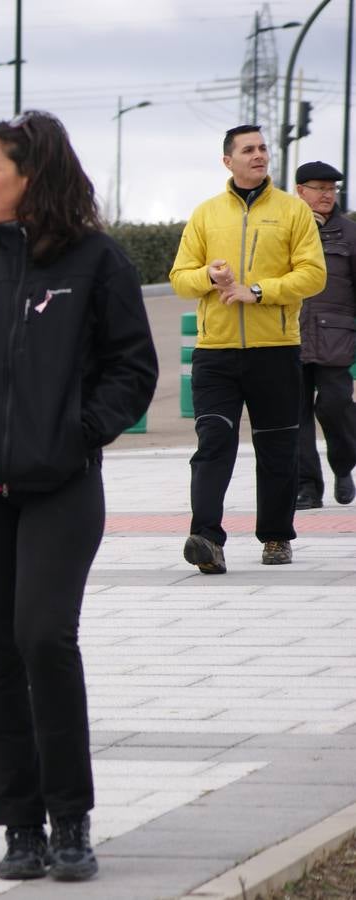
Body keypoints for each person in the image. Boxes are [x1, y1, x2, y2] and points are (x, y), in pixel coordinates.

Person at [0, 111, 157, 882]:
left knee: (45, 637)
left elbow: (132, 367)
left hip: (62, 486)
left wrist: (79, 431)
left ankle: (71, 817)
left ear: (32, 176)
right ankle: (20, 825)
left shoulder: (97, 261)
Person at [169, 125, 325, 572]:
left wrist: (256, 291)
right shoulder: (206, 214)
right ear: (228, 161)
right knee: (213, 442)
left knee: (277, 448)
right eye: (248, 150)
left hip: (274, 348)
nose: (258, 155)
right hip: (215, 352)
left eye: (262, 148)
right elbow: (181, 277)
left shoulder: (293, 212)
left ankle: (276, 536)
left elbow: (313, 275)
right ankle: (206, 538)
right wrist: (209, 278)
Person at [293, 161, 356, 509]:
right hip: (289, 336)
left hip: (336, 338)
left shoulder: (349, 235)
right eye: (320, 188)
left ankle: (344, 463)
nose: (327, 195)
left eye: (331, 189)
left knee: (334, 406)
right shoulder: (287, 231)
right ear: (301, 191)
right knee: (295, 415)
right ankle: (307, 487)